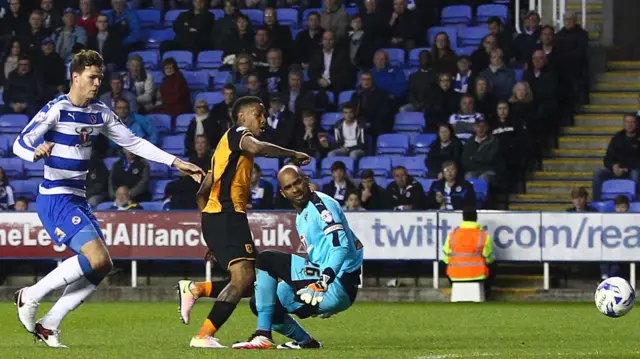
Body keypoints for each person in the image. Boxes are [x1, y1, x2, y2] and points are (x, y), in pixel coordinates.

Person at [11, 50, 205, 348]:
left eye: (100, 77)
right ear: (75, 77)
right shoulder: (57, 109)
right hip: (55, 197)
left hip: (78, 198)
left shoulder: (99, 111)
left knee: (102, 266)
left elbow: (133, 141)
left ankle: (49, 324)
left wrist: (175, 163)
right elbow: (20, 143)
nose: (97, 82)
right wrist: (33, 153)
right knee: (97, 258)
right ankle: (30, 296)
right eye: (92, 77)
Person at [175, 96, 312, 349]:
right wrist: (293, 154)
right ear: (242, 117)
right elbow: (259, 148)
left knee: (254, 282)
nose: (263, 119)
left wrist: (211, 231)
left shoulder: (223, 153)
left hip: (224, 219)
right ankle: (203, 335)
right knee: (245, 277)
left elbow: (201, 193)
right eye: (259, 114)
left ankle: (196, 289)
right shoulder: (238, 133)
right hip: (226, 216)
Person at [232, 165, 363, 349]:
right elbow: (356, 244)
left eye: (297, 182)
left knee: (267, 259)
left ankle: (263, 335)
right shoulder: (302, 216)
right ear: (283, 193)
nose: (295, 189)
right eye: (288, 187)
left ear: (306, 180)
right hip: (328, 286)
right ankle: (306, 341)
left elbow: (341, 246)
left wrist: (323, 282)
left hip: (334, 284)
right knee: (261, 304)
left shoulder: (321, 205)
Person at [442, 206, 495, 299]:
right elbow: (489, 259)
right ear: (476, 218)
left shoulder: (452, 235)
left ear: (463, 218)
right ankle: (487, 292)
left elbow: (445, 258)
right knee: (494, 265)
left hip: (455, 275)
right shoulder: (484, 236)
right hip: (478, 275)